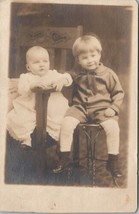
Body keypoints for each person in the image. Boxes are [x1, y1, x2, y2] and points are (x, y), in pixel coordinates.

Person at [53, 34, 124, 178]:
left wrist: (113, 108)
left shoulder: (108, 74)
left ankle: (113, 160)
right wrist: (63, 79)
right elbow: (68, 76)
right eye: (84, 58)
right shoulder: (77, 72)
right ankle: (65, 158)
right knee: (66, 123)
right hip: (80, 108)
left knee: (113, 127)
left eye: (93, 55)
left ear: (99, 54)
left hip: (102, 109)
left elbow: (118, 93)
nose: (90, 60)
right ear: (78, 60)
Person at [7, 46, 72, 148]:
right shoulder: (26, 77)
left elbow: (68, 77)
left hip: (52, 109)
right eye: (36, 62)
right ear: (28, 67)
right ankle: (27, 140)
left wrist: (62, 81)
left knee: (58, 122)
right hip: (30, 108)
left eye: (45, 61)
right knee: (21, 120)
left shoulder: (53, 74)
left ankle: (51, 141)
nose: (41, 65)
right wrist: (31, 86)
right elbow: (21, 88)